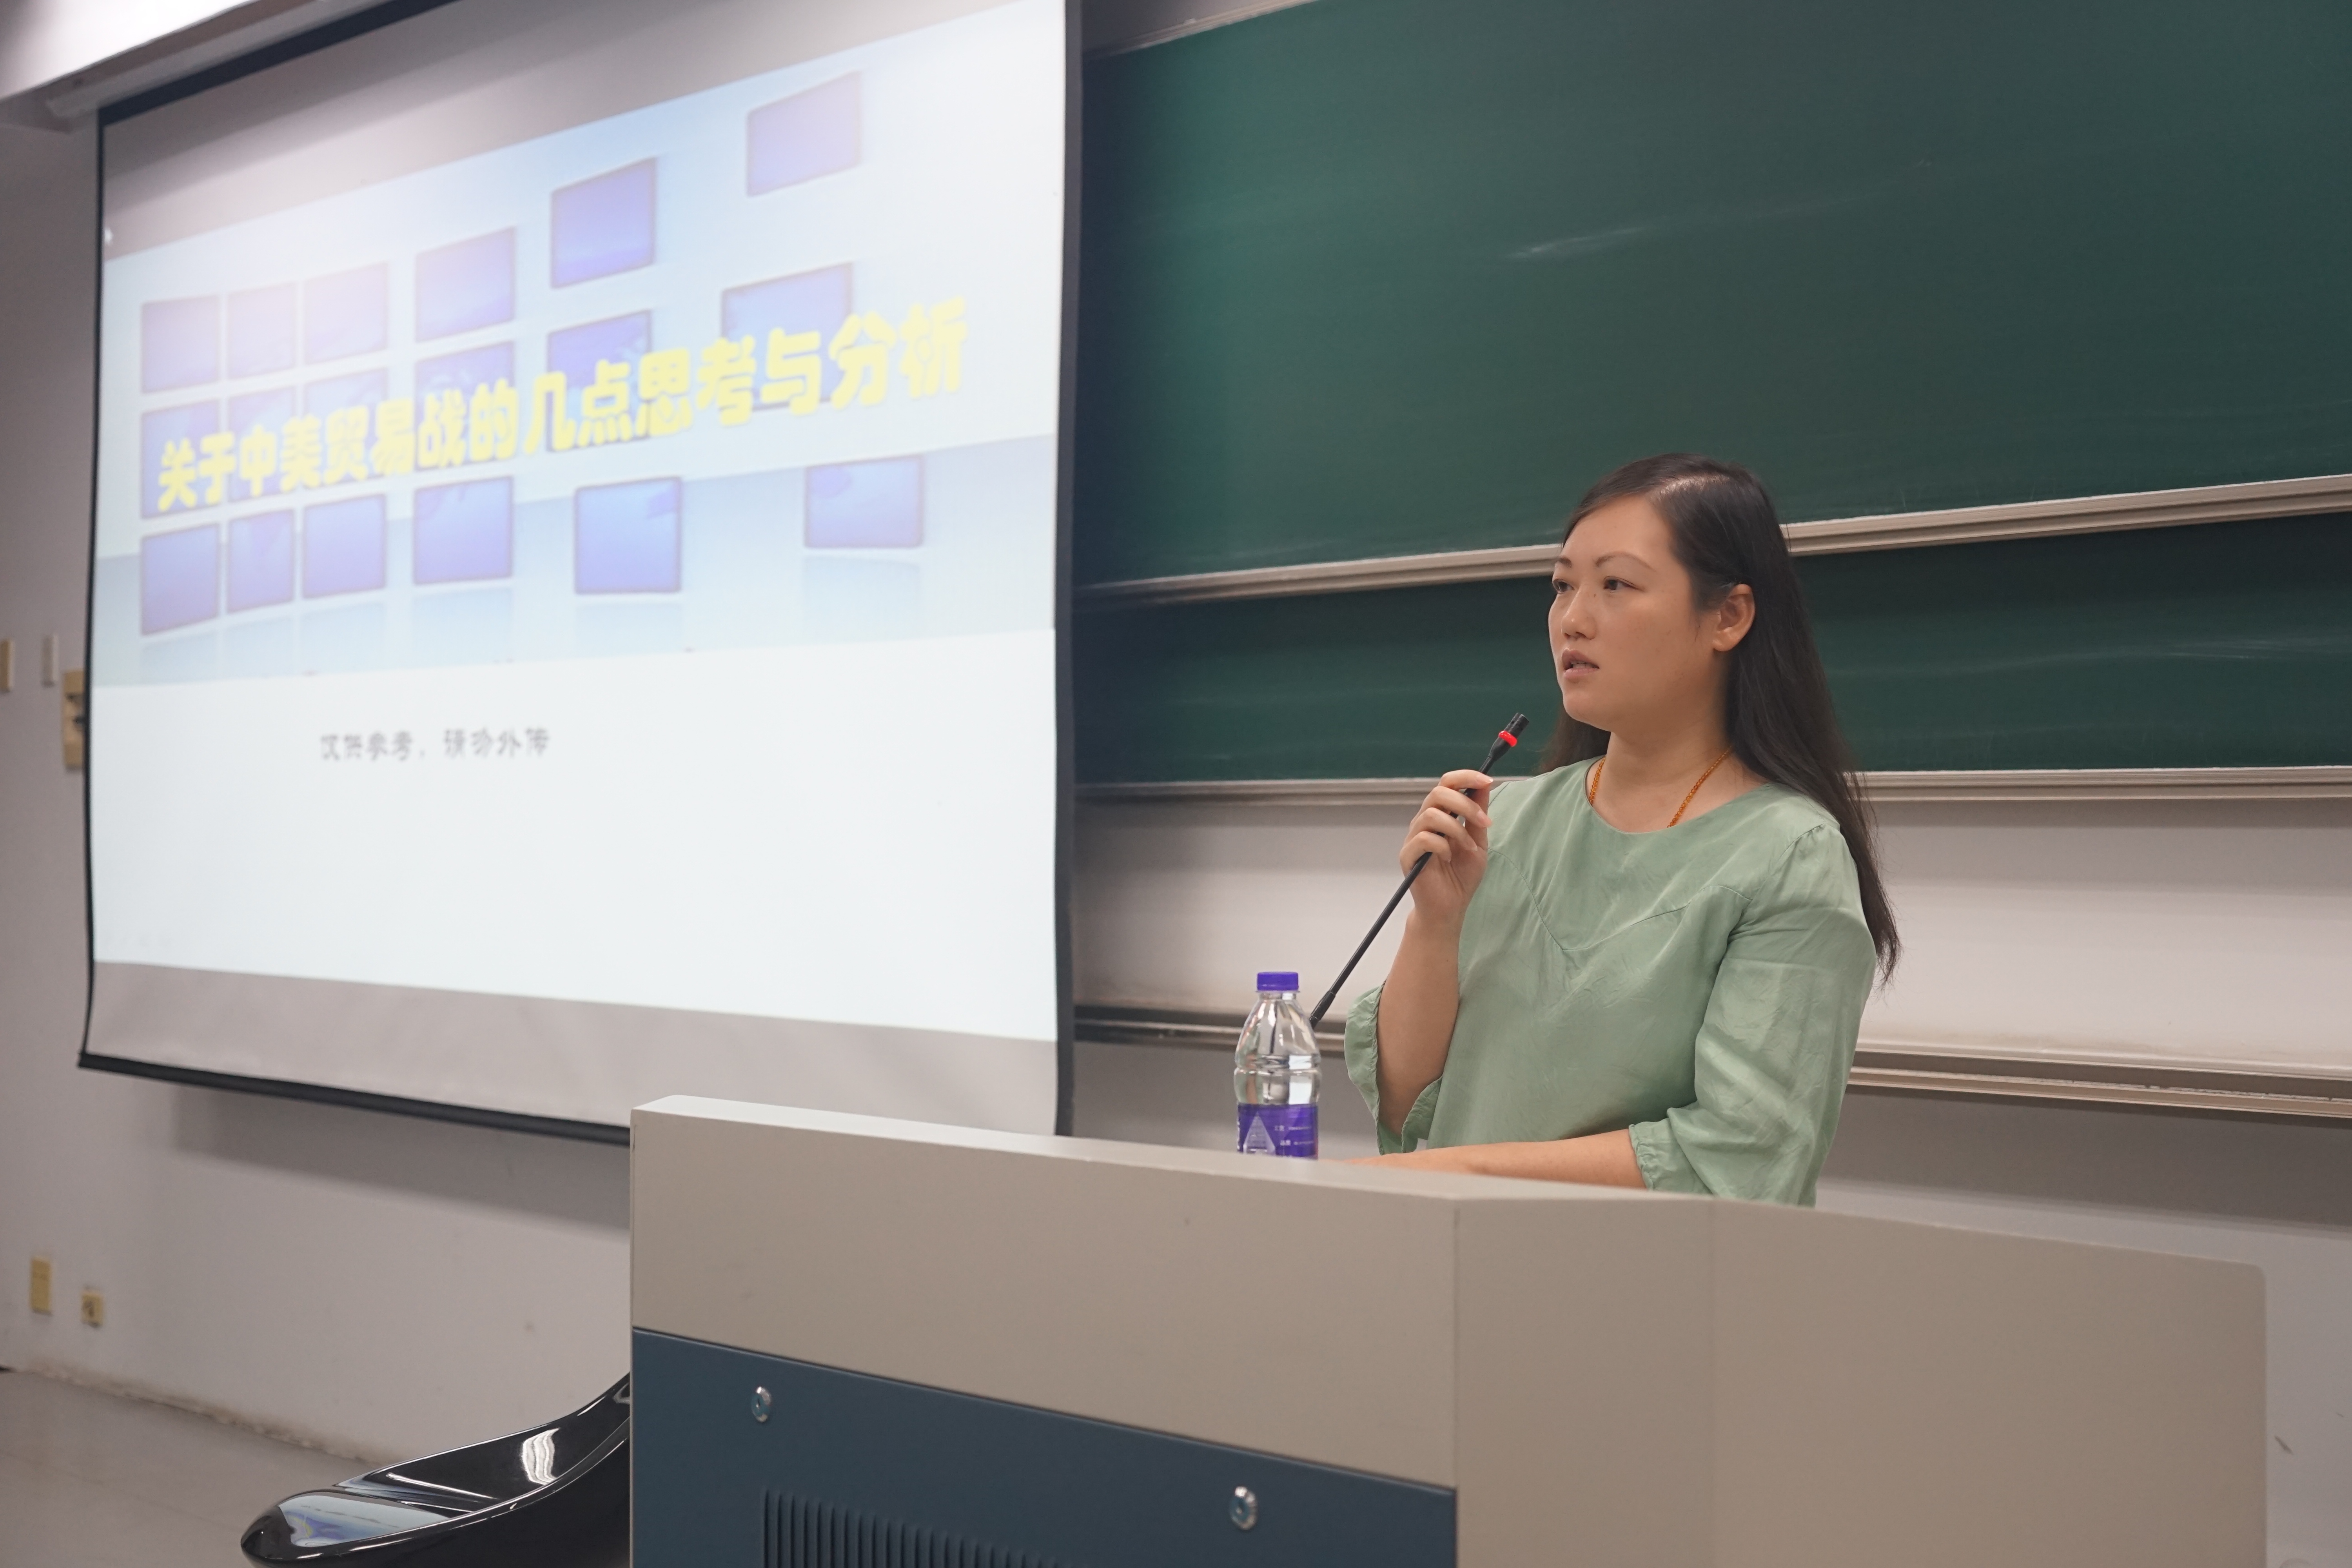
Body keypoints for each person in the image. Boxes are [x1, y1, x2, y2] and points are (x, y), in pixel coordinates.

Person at [1345, 454, 1897, 1205]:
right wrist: (1435, 925)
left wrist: (1462, 1171)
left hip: (1643, 1274)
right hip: (1457, 1257)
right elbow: (1405, 1103)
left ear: (1729, 617)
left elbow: (1741, 1157)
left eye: (1617, 585)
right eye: (1562, 586)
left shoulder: (1789, 856)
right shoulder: (1502, 821)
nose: (1574, 619)